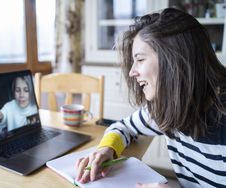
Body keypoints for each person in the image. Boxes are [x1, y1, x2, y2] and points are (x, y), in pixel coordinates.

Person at [75, 8, 226, 188]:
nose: (132, 72)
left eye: (140, 59)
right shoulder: (169, 107)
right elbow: (124, 127)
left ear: (174, 59)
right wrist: (106, 149)